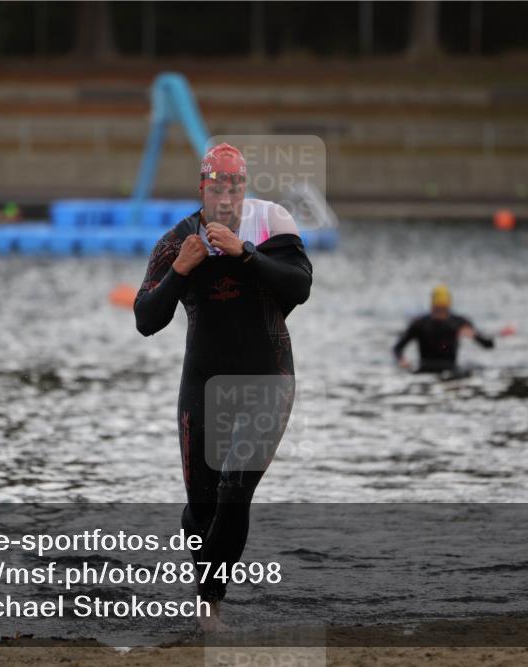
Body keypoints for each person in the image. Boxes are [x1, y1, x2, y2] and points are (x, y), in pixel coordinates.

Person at [134, 143, 313, 632]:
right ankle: (205, 596)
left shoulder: (271, 223)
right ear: (203, 189)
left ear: (244, 187)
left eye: (236, 186)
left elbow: (299, 286)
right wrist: (180, 269)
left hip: (268, 380)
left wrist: (246, 254)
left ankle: (207, 606)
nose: (228, 197)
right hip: (202, 387)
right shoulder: (179, 239)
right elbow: (145, 319)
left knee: (236, 490)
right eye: (218, 187)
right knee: (202, 509)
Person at [393, 284, 514, 373]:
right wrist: (402, 360)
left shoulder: (459, 322)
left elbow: (488, 345)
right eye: (437, 309)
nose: (440, 314)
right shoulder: (420, 324)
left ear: (449, 307)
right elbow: (397, 348)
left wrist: (474, 335)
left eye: (443, 309)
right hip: (425, 368)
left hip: (451, 369)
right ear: (432, 307)